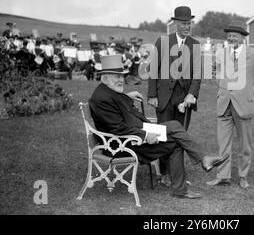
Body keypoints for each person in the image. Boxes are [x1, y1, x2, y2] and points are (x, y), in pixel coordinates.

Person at [89, 55, 228, 199]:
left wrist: (127, 96)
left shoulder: (107, 91)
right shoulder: (102, 99)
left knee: (175, 126)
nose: (120, 80)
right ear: (104, 77)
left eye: (121, 76)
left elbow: (116, 102)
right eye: (116, 76)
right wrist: (144, 135)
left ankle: (195, 170)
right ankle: (189, 178)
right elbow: (117, 129)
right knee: (176, 141)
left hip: (135, 135)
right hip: (124, 145)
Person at [207, 21, 254, 189]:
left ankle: (243, 175)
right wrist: (222, 84)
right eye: (229, 36)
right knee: (223, 144)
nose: (231, 38)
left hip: (244, 106)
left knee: (245, 145)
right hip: (224, 104)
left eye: (235, 36)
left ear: (243, 38)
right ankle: (223, 176)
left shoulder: (253, 54)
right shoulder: (222, 53)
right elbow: (214, 71)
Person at [147, 6, 201, 186]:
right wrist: (152, 94)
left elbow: (197, 75)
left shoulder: (195, 45)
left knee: (180, 136)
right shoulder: (162, 42)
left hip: (183, 100)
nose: (187, 27)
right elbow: (153, 69)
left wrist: (191, 95)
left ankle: (177, 174)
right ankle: (164, 173)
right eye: (183, 23)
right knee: (162, 135)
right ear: (175, 23)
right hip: (163, 97)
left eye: (189, 24)